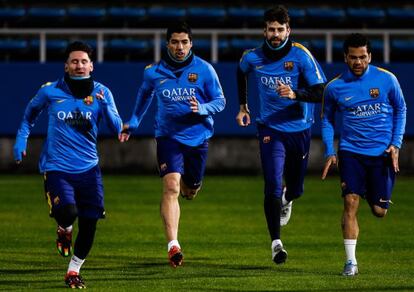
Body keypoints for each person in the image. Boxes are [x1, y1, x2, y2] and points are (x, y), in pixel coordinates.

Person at [13, 41, 123, 288]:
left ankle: (73, 270)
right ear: (66, 66)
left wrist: (105, 104)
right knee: (69, 212)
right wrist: (21, 140)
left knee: (90, 222)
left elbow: (118, 128)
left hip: (89, 169)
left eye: (84, 61)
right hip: (56, 167)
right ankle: (64, 228)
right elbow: (28, 116)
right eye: (74, 61)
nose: (79, 65)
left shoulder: (102, 92)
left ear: (91, 66)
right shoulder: (49, 91)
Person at [119, 21, 226, 267]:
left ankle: (192, 188)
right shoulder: (153, 72)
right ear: (167, 44)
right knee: (171, 187)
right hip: (168, 137)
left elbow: (220, 101)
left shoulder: (205, 70)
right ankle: (173, 245)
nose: (180, 47)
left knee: (189, 190)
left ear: (191, 44)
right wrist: (134, 121)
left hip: (198, 138)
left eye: (185, 42)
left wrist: (203, 108)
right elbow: (144, 96)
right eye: (175, 42)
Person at [235, 5, 326, 265]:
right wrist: (243, 106)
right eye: (271, 29)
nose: (275, 34)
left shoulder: (301, 56)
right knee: (272, 182)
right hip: (269, 129)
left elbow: (322, 90)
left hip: (299, 130)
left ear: (289, 30)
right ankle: (276, 243)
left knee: (296, 189)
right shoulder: (252, 57)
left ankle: (289, 198)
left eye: (280, 29)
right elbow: (240, 72)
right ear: (264, 31)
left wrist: (296, 94)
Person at [321, 33, 406, 276]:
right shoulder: (335, 87)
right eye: (353, 57)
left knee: (380, 212)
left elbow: (401, 109)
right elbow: (326, 119)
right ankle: (351, 262)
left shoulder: (387, 80)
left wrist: (396, 144)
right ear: (345, 58)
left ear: (370, 56)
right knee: (350, 201)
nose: (358, 62)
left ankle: (370, 189)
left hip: (381, 153)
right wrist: (330, 150)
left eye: (362, 57)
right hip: (351, 153)